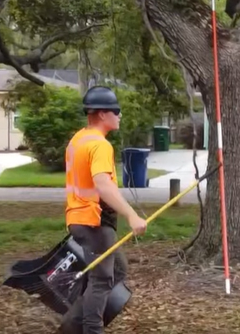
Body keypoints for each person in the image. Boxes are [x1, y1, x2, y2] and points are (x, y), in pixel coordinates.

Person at [58, 86, 148, 334]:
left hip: (78, 218)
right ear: (100, 114)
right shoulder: (99, 145)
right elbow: (103, 185)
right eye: (115, 110)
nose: (119, 115)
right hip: (94, 221)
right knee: (102, 280)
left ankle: (75, 325)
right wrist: (131, 215)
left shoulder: (78, 139)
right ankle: (87, 329)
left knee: (114, 270)